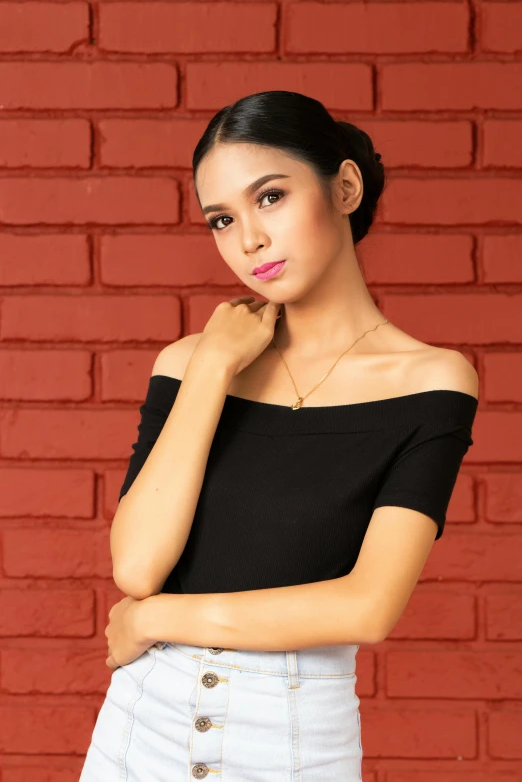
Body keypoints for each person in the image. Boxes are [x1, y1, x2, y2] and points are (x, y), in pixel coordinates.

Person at [79, 90, 479, 781]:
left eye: (270, 198)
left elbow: (368, 605)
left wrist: (152, 620)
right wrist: (211, 366)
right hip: (140, 729)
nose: (248, 240)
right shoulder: (190, 365)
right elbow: (137, 566)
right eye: (222, 218)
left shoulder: (432, 382)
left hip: (294, 740)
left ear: (345, 186)